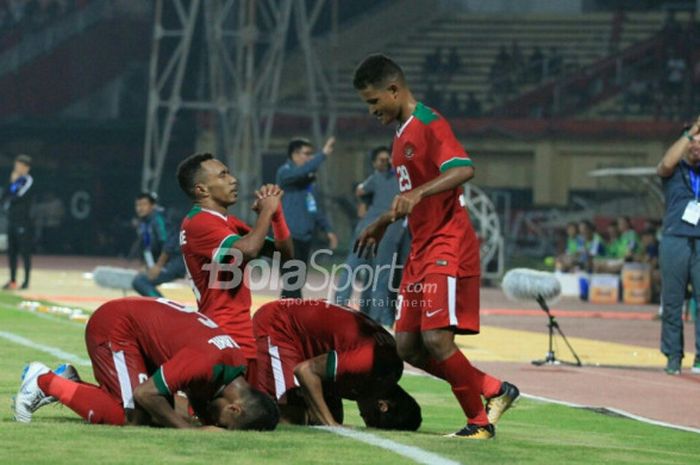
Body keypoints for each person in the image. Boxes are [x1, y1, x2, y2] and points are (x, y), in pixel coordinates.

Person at [352, 54, 519, 439]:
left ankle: (478, 423)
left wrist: (420, 194)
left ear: (394, 90)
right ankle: (493, 388)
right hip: (421, 246)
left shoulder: (430, 123)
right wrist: (381, 221)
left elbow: (463, 169)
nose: (372, 110)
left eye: (374, 101)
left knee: (437, 339)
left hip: (448, 241)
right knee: (407, 346)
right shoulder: (398, 135)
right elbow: (411, 195)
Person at [13, 297, 279, 430]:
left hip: (139, 329)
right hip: (116, 327)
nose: (216, 425)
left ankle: (71, 384)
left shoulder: (233, 364)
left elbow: (193, 396)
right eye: (224, 425)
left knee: (164, 412)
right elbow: (145, 394)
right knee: (131, 416)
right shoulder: (208, 363)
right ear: (234, 409)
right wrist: (189, 431)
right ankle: (44, 381)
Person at [177, 153, 293, 370]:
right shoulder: (199, 222)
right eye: (222, 175)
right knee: (242, 403)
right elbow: (248, 251)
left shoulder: (227, 222)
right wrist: (266, 211)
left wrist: (276, 215)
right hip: (224, 332)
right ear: (201, 190)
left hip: (239, 331)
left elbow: (284, 254)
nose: (232, 179)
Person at [253, 298, 421, 430]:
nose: (361, 414)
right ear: (382, 406)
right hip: (281, 324)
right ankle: (233, 397)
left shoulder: (389, 369)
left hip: (307, 335)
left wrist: (329, 418)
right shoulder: (369, 364)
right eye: (367, 418)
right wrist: (329, 423)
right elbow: (305, 371)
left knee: (328, 415)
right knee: (283, 416)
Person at [335, 146, 410, 327]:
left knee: (369, 273)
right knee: (369, 273)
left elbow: (360, 191)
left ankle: (360, 314)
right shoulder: (387, 178)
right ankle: (372, 317)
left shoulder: (387, 178)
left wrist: (364, 199)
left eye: (387, 159)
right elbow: (361, 191)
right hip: (379, 230)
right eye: (382, 160)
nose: (385, 163)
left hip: (381, 231)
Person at [656, 119, 700, 375]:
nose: (696, 146)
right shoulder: (675, 171)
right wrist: (690, 132)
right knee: (673, 300)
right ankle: (673, 355)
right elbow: (666, 162)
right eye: (693, 142)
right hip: (675, 238)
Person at [276, 137, 338, 298]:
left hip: (305, 237)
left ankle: (286, 316)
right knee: (292, 281)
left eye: (312, 154)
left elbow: (313, 208)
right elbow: (300, 172)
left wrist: (328, 229)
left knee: (298, 281)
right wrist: (322, 155)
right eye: (307, 154)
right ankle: (288, 317)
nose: (310, 157)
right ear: (295, 154)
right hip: (289, 237)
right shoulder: (285, 173)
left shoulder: (307, 182)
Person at [131, 192, 186, 297]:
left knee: (140, 282)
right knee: (140, 280)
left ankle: (164, 309)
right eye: (137, 205)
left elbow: (168, 243)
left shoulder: (159, 219)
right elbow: (147, 247)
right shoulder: (145, 222)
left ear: (152, 206)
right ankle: (160, 307)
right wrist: (146, 266)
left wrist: (158, 266)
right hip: (165, 262)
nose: (139, 208)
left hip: (175, 261)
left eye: (143, 204)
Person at [2, 154, 34, 290]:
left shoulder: (27, 180)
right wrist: (12, 183)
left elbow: (18, 196)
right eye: (16, 165)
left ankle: (26, 281)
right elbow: (5, 195)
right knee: (12, 251)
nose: (17, 168)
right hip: (12, 220)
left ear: (26, 167)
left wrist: (14, 184)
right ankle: (13, 280)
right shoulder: (15, 181)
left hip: (23, 222)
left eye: (20, 166)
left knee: (24, 251)